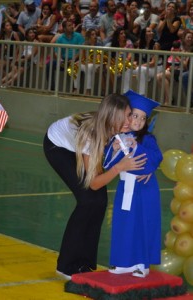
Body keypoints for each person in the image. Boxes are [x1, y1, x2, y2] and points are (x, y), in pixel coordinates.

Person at [43, 93, 147, 280]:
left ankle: (84, 262)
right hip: (58, 147)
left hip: (81, 147)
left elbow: (104, 165)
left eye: (129, 115)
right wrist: (118, 167)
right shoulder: (92, 134)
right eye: (123, 118)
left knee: (99, 201)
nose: (128, 121)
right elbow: (95, 182)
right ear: (110, 117)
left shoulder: (115, 128)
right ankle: (66, 265)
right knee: (87, 201)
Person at [104, 90, 162, 278]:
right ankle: (124, 262)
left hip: (145, 189)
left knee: (143, 223)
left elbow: (155, 158)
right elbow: (107, 164)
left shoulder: (148, 139)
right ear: (126, 116)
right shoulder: (118, 138)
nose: (137, 121)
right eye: (133, 115)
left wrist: (136, 147)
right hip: (125, 188)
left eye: (142, 118)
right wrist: (113, 149)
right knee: (124, 223)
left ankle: (142, 264)